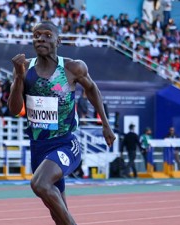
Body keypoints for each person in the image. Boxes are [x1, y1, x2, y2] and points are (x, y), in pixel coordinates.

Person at [7, 21, 116, 225]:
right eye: (36, 35)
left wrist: (106, 124)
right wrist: (19, 79)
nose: (41, 38)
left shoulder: (72, 67)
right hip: (38, 147)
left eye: (47, 35)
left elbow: (92, 90)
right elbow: (14, 109)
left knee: (40, 185)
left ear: (59, 40)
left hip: (66, 144)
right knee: (58, 212)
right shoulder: (24, 68)